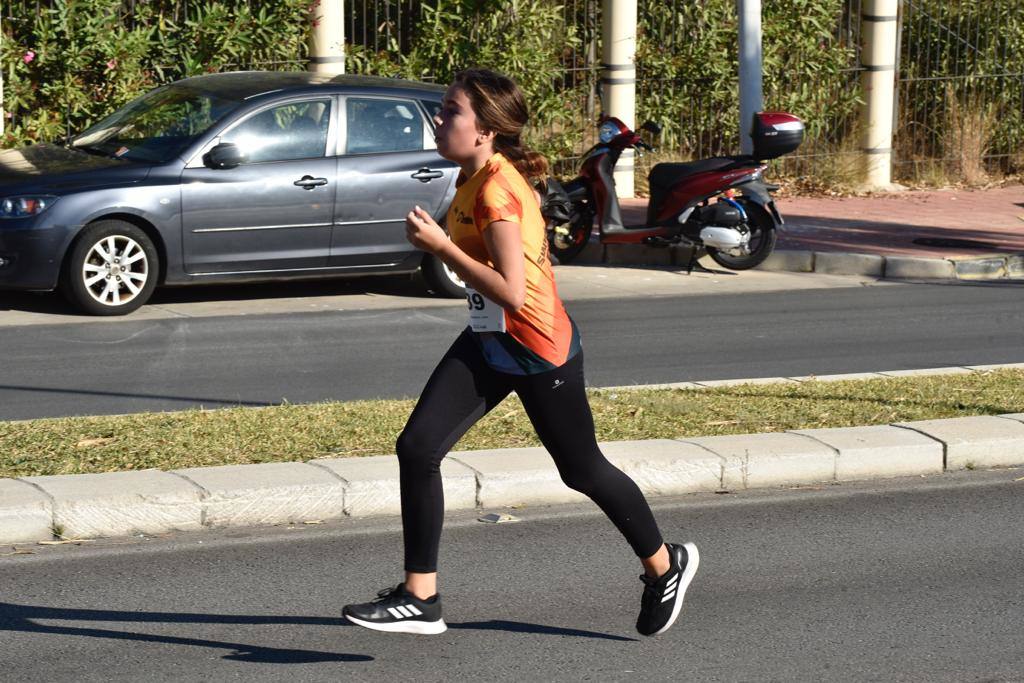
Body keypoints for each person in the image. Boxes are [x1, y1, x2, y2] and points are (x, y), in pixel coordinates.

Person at [342, 68, 698, 637]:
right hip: (490, 341)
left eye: (451, 111)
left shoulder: (497, 191)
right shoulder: (472, 176)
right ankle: (421, 597)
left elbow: (510, 289)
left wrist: (440, 247)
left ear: (484, 130)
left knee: (581, 470)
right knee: (417, 446)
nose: (439, 119)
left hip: (537, 349)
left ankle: (664, 564)